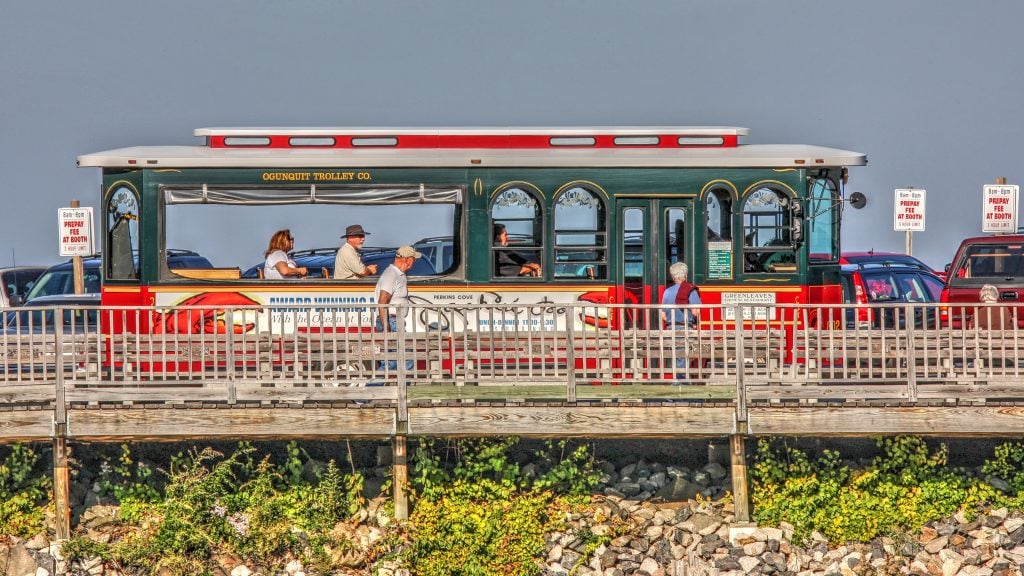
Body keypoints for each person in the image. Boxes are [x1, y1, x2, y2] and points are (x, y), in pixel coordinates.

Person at [374, 245, 422, 373]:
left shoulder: (397, 274)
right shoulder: (391, 274)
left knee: (390, 363)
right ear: (408, 260)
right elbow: (382, 301)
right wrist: (386, 327)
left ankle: (372, 388)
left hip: (394, 321)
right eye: (413, 259)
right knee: (406, 360)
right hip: (392, 322)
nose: (414, 262)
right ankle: (407, 390)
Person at [661, 262, 701, 329]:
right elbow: (695, 312)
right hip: (687, 329)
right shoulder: (691, 290)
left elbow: (663, 315)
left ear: (673, 277)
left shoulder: (667, 291)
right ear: (685, 276)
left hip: (670, 330)